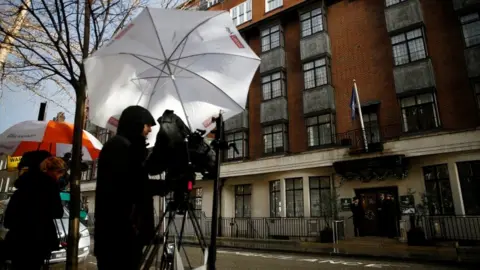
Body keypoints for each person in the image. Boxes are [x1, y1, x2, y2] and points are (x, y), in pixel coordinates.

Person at [94, 106, 168, 270]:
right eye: (147, 125)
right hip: (118, 239)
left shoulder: (126, 147)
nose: (149, 130)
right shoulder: (119, 147)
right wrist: (166, 185)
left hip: (124, 237)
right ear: (136, 124)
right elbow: (132, 187)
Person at [4, 155, 65, 269]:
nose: (60, 177)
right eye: (60, 173)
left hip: (17, 241)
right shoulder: (49, 188)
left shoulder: (22, 187)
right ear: (54, 171)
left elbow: (8, 220)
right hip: (38, 242)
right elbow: (58, 213)